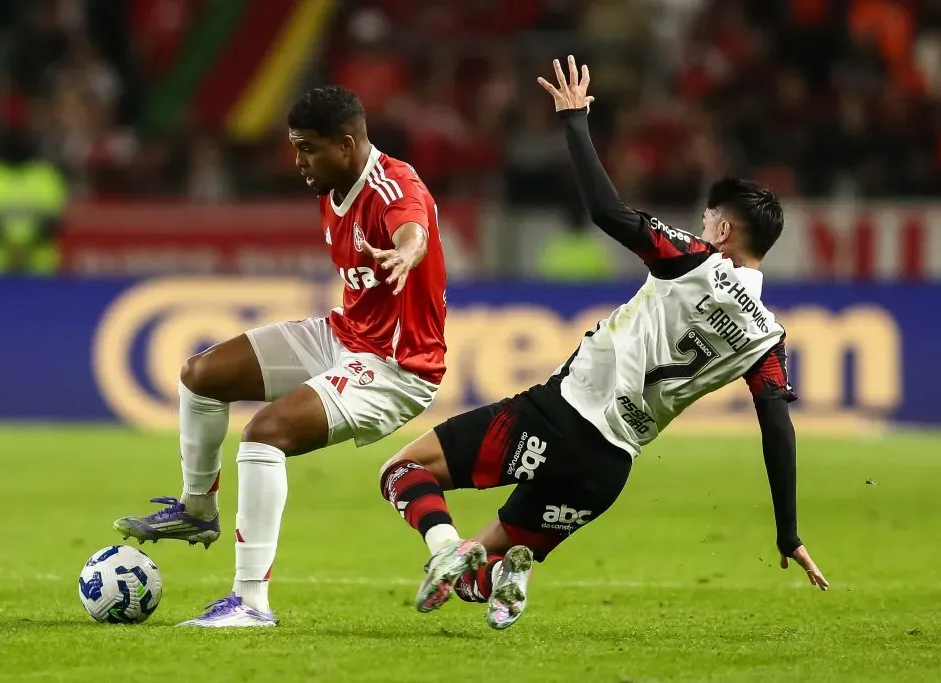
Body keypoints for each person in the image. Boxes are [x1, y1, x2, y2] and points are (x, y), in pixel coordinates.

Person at [377, 56, 829, 631]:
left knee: (402, 470)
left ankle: (443, 545)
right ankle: (505, 569)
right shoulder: (767, 337)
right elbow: (778, 430)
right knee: (479, 571)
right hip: (610, 467)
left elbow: (606, 211)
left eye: (708, 216)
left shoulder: (695, 259)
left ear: (722, 231)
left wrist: (574, 121)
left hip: (562, 416)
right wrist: (787, 532)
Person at [114, 86, 448, 628]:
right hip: (345, 333)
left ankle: (250, 603)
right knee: (201, 375)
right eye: (295, 147)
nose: (298, 162)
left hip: (397, 364)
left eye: (308, 149)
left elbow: (413, 227)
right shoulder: (332, 180)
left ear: (347, 145)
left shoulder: (393, 187)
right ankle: (197, 510)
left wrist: (407, 252)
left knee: (264, 435)